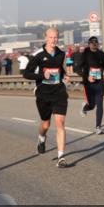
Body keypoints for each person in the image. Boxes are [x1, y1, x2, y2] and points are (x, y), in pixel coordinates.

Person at [23, 28, 72, 168]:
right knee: (46, 124)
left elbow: (60, 69)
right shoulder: (38, 55)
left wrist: (64, 76)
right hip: (43, 93)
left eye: (55, 37)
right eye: (51, 37)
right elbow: (26, 74)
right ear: (45, 38)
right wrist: (41, 76)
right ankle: (41, 138)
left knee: (60, 123)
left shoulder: (61, 54)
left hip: (59, 92)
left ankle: (61, 157)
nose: (53, 40)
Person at [79, 36, 104, 134]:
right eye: (92, 43)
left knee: (100, 104)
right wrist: (87, 76)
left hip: (99, 82)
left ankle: (98, 127)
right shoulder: (85, 53)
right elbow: (78, 68)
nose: (94, 44)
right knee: (92, 106)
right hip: (88, 83)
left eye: (96, 43)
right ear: (89, 44)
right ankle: (85, 107)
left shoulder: (101, 54)